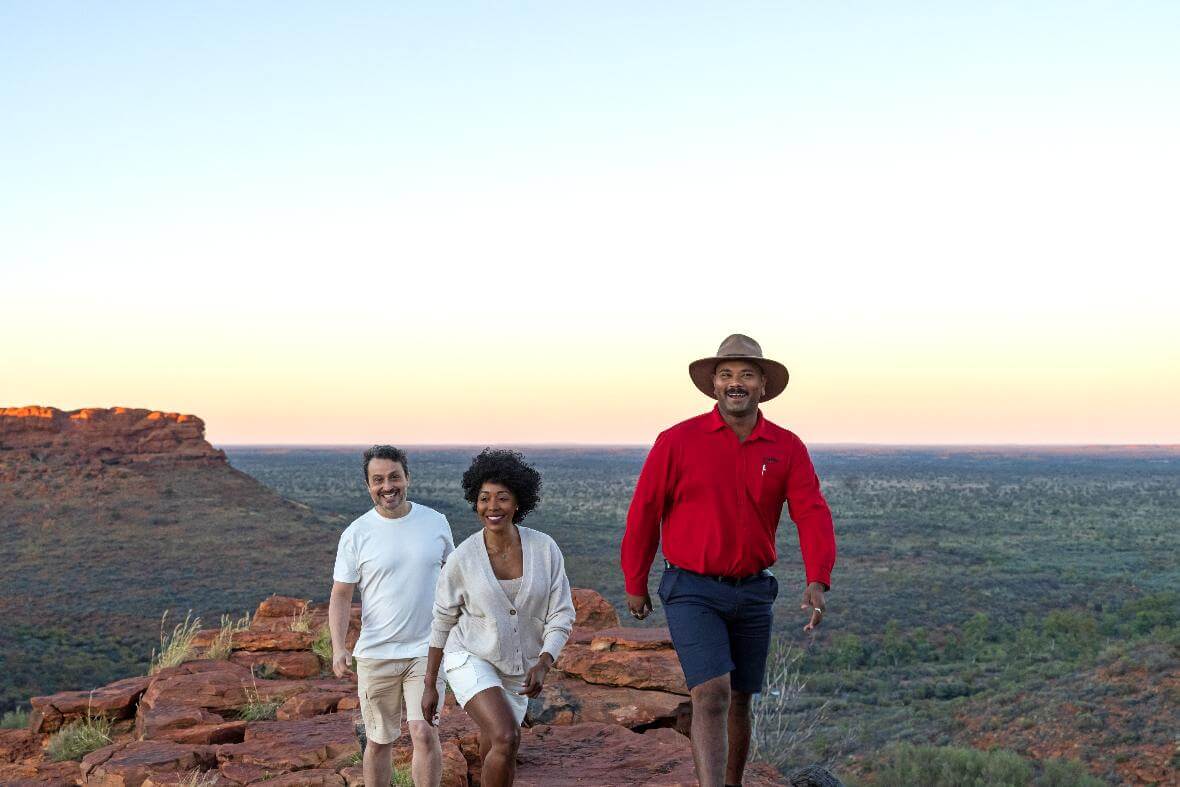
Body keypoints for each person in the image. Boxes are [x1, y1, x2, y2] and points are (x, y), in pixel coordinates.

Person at [620, 334, 837, 787]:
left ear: (762, 385)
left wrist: (819, 577)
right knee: (712, 693)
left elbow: (811, 511)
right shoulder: (678, 441)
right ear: (714, 385)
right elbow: (645, 510)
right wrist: (635, 579)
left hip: (754, 590)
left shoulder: (786, 445)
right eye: (726, 375)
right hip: (691, 588)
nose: (735, 383)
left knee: (740, 698)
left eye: (745, 375)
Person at [422, 448, 575, 787]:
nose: (492, 507)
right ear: (475, 503)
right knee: (507, 736)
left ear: (518, 502)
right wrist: (430, 684)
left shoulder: (544, 548)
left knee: (496, 744)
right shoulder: (464, 558)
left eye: (502, 498)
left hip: (520, 667)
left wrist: (545, 662)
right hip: (470, 656)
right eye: (484, 498)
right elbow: (442, 620)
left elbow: (561, 612)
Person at [329, 445, 456, 787]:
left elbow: (454, 583)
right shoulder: (356, 533)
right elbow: (341, 594)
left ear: (407, 478)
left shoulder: (435, 523)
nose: (388, 486)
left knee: (424, 732)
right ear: (368, 485)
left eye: (394, 477)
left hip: (426, 652)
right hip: (375, 654)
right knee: (379, 741)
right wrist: (338, 647)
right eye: (378, 479)